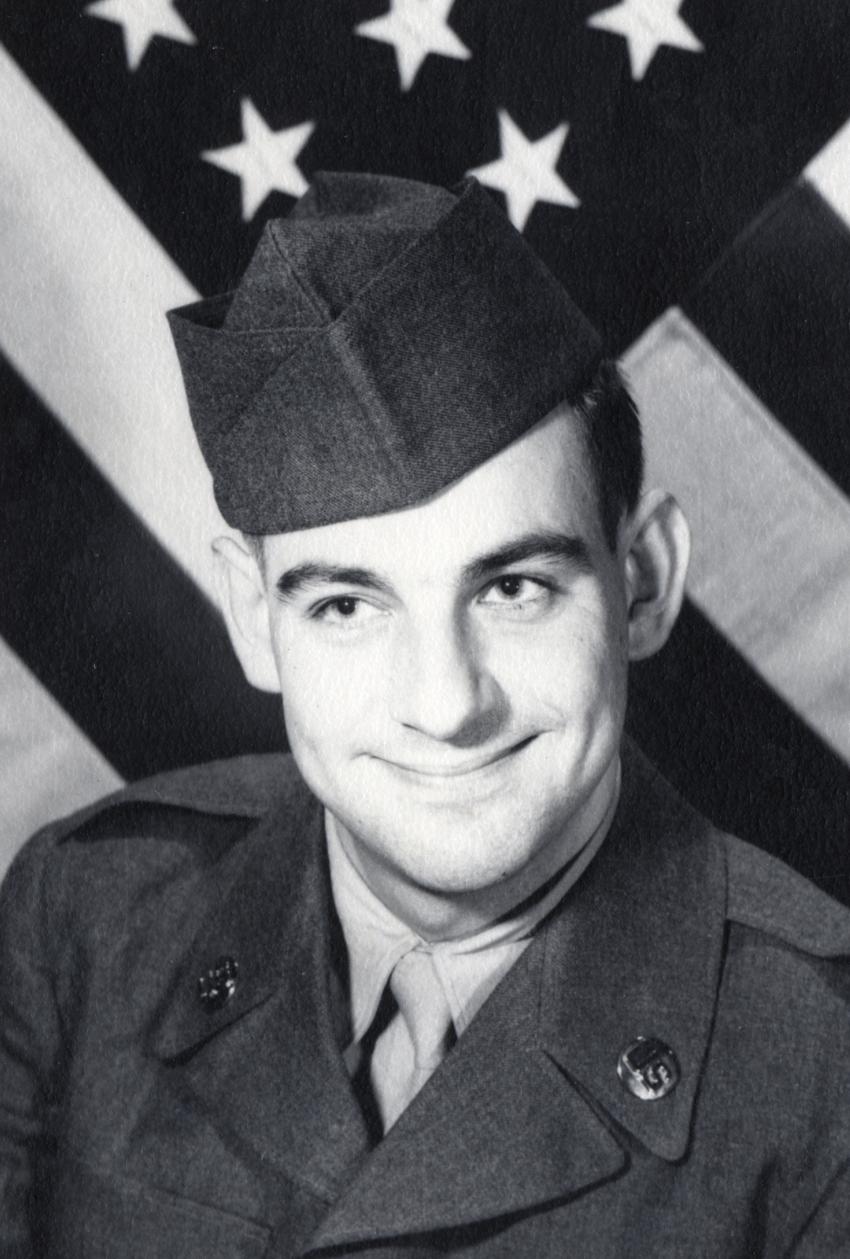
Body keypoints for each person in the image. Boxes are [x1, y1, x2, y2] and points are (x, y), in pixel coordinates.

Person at [1, 172, 849, 1259]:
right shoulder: (87, 917)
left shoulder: (820, 1064)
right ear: (256, 622)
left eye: (513, 588)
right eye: (349, 605)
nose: (447, 703)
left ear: (641, 580)